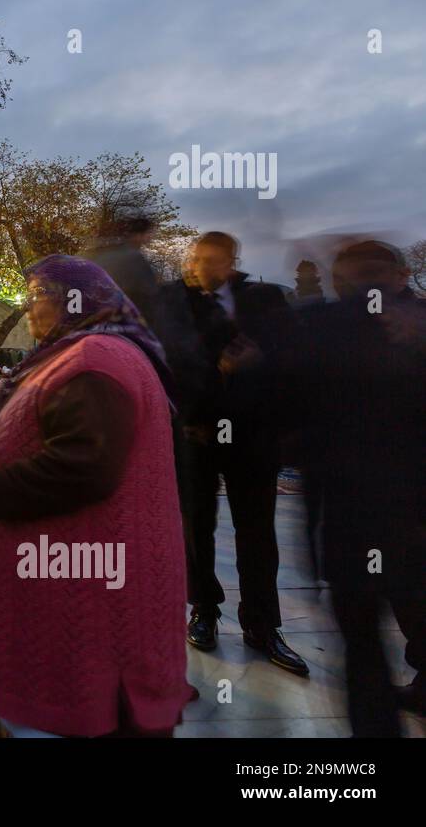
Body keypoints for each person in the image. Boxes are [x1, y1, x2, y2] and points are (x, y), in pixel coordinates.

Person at [0, 254, 192, 737]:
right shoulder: (78, 352)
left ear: (76, 300)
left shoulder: (95, 361)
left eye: (37, 295)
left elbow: (85, 467)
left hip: (94, 600)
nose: (27, 308)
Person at [289, 240, 426, 735]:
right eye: (351, 279)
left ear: (401, 275)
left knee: (381, 631)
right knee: (364, 641)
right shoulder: (322, 328)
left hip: (399, 514)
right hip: (352, 515)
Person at [174, 231, 308, 675]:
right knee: (197, 529)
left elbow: (293, 358)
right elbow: (168, 360)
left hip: (252, 435)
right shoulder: (177, 303)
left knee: (256, 532)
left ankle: (262, 625)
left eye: (212, 260)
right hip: (198, 432)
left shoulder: (266, 297)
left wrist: (259, 359)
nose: (201, 267)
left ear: (232, 261)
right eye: (196, 259)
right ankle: (205, 610)